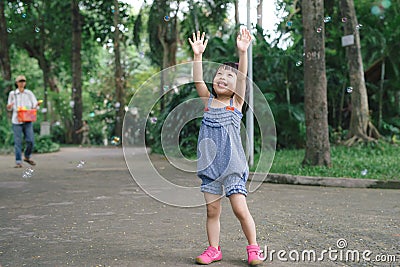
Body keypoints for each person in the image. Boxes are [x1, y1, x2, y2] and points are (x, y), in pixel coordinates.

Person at [188, 29, 264, 266]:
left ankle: (253, 248)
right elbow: (198, 80)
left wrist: (243, 51)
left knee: (240, 210)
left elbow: (242, 77)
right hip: (210, 167)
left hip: (232, 167)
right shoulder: (208, 102)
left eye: (227, 76)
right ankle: (213, 249)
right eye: (219, 74)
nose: (222, 77)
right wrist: (198, 56)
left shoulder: (236, 103)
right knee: (212, 212)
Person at [6, 75, 40, 168]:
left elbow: (35, 105)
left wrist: (37, 105)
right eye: (20, 81)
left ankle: (27, 156)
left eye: (23, 81)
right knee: (18, 142)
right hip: (16, 120)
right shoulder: (12, 94)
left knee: (30, 140)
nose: (22, 83)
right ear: (16, 83)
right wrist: (9, 107)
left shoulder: (29, 93)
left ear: (25, 83)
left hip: (27, 120)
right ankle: (18, 162)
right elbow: (9, 107)